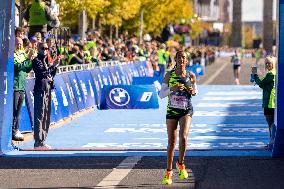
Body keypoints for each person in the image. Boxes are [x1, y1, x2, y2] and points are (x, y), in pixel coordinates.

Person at [158, 50, 197, 185]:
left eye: (184, 58)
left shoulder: (191, 75)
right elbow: (161, 94)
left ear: (187, 61)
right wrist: (172, 89)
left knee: (184, 137)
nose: (181, 60)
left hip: (186, 110)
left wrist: (192, 90)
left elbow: (195, 91)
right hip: (172, 110)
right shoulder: (169, 75)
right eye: (179, 57)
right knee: (171, 142)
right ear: (176, 59)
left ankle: (181, 164)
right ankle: (168, 172)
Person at [32, 42, 58, 148]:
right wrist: (53, 66)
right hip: (40, 90)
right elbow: (42, 73)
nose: (45, 50)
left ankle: (43, 140)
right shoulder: (36, 60)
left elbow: (50, 74)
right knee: (39, 115)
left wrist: (54, 67)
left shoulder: (47, 60)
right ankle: (38, 141)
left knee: (46, 115)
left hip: (48, 89)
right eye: (43, 48)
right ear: (38, 49)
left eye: (47, 49)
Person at [12, 37, 35, 141]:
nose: (19, 45)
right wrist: (27, 60)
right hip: (15, 86)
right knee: (14, 110)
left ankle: (16, 129)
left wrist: (29, 60)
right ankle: (12, 131)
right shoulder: (12, 54)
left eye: (21, 44)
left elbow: (27, 68)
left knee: (18, 110)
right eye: (17, 43)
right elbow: (17, 66)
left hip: (22, 85)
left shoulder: (22, 54)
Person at [252, 55, 276, 146]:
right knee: (272, 123)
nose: (266, 65)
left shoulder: (270, 74)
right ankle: (272, 141)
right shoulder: (274, 73)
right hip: (273, 102)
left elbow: (261, 83)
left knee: (270, 123)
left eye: (267, 63)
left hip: (269, 102)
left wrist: (255, 76)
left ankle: (272, 141)